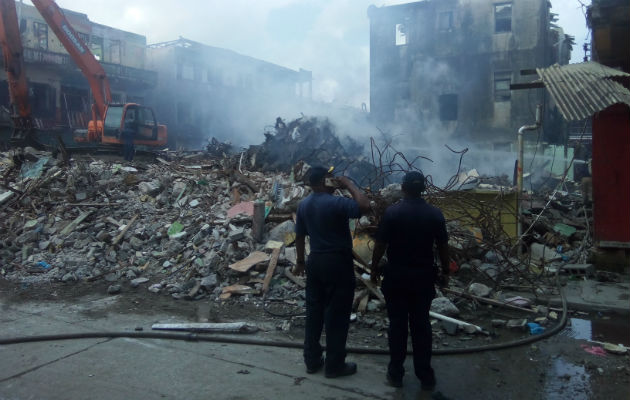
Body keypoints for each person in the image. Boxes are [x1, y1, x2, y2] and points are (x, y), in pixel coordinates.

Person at [370, 171, 449, 390]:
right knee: (421, 325)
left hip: (396, 277)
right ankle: (425, 375)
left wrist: (374, 268)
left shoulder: (393, 213)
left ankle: (396, 373)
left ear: (403, 188)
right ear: (423, 189)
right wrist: (446, 272)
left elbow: (380, 244)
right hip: (423, 278)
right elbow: (443, 246)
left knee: (397, 326)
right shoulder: (435, 214)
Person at [294, 166, 371, 378]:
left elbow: (299, 236)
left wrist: (300, 261)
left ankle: (311, 360)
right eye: (330, 178)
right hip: (337, 262)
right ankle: (334, 365)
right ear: (323, 182)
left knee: (314, 312)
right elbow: (364, 205)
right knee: (337, 316)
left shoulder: (304, 205)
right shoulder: (336, 202)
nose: (333, 181)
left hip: (315, 261)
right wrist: (348, 184)